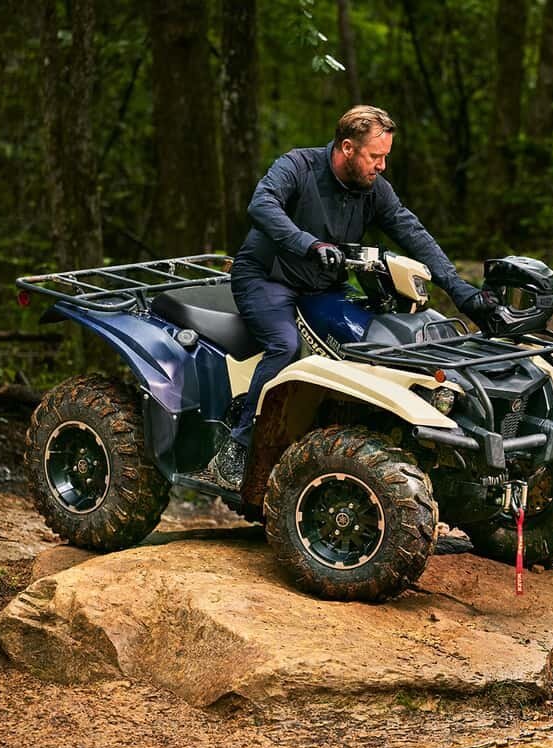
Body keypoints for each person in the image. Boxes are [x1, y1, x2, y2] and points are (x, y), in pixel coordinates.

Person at [211, 105, 497, 488]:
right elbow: (261, 205)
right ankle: (239, 445)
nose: (382, 166)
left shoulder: (374, 189)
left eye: (385, 157)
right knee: (284, 345)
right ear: (347, 147)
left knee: (369, 346)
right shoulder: (297, 166)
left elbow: (413, 233)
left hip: (323, 286)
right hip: (267, 277)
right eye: (375, 156)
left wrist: (462, 292)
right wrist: (309, 244)